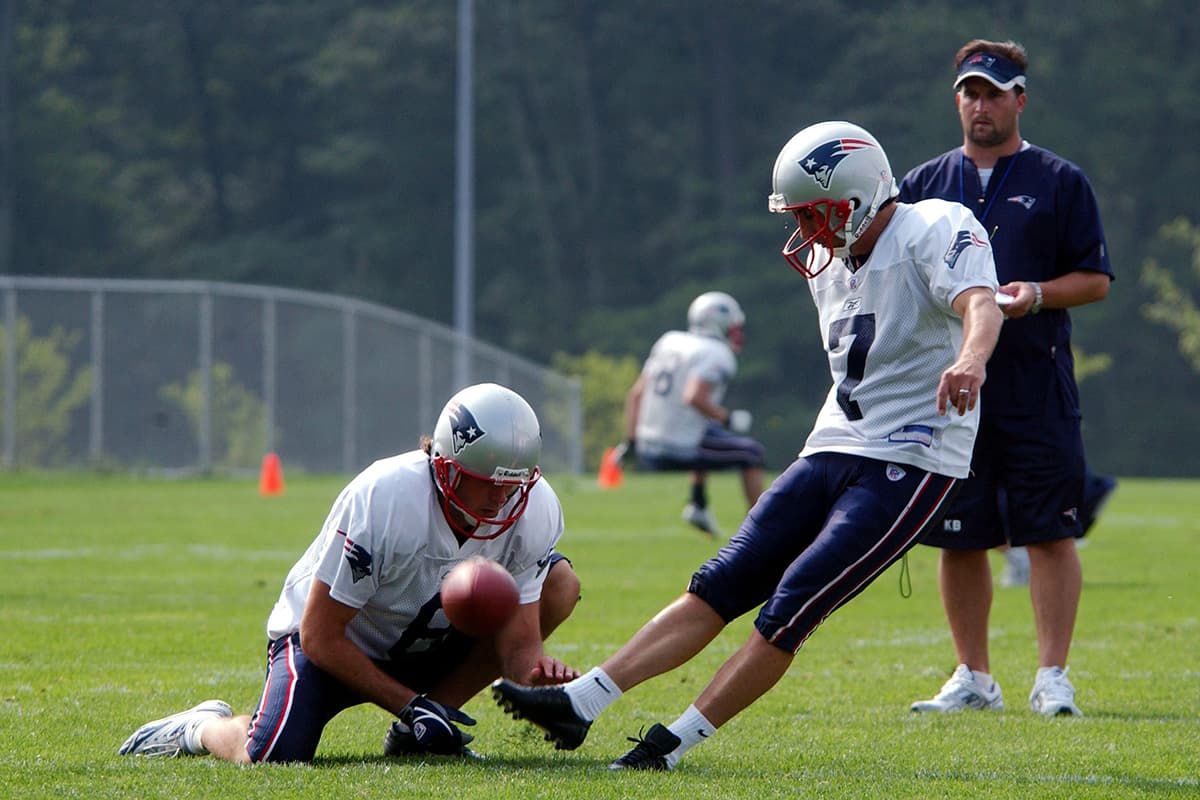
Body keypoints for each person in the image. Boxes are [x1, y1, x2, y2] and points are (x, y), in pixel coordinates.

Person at [491, 120, 1003, 770]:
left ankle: (670, 744)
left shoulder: (933, 227)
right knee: (722, 580)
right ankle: (581, 703)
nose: (807, 232)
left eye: (815, 214)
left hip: (911, 455)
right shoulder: (832, 266)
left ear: (860, 198)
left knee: (792, 605)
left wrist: (972, 360)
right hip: (833, 443)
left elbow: (981, 304)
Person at [118, 382, 581, 763]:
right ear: (447, 467)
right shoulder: (386, 497)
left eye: (514, 483)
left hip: (427, 642)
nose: (503, 499)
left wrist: (536, 677)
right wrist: (409, 704)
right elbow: (319, 634)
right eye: (489, 482)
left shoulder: (535, 510)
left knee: (560, 586)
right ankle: (201, 726)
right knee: (270, 755)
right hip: (336, 644)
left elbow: (519, 646)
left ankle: (419, 732)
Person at [900, 39, 1114, 717]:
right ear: (955, 99)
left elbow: (1095, 279)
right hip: (951, 388)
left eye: (994, 92)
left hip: (1036, 380)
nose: (980, 104)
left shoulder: (1060, 180)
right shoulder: (924, 183)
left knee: (1050, 531)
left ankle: (1053, 676)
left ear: (1020, 99)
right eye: (970, 92)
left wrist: (1037, 295)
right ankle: (973, 676)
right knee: (957, 536)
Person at [615, 291, 766, 538]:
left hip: (647, 443)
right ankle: (762, 531)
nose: (736, 332)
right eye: (732, 326)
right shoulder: (717, 353)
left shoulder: (670, 341)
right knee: (752, 453)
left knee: (708, 430)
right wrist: (727, 418)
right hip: (677, 447)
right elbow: (693, 397)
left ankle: (698, 504)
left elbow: (635, 395)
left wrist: (630, 443)